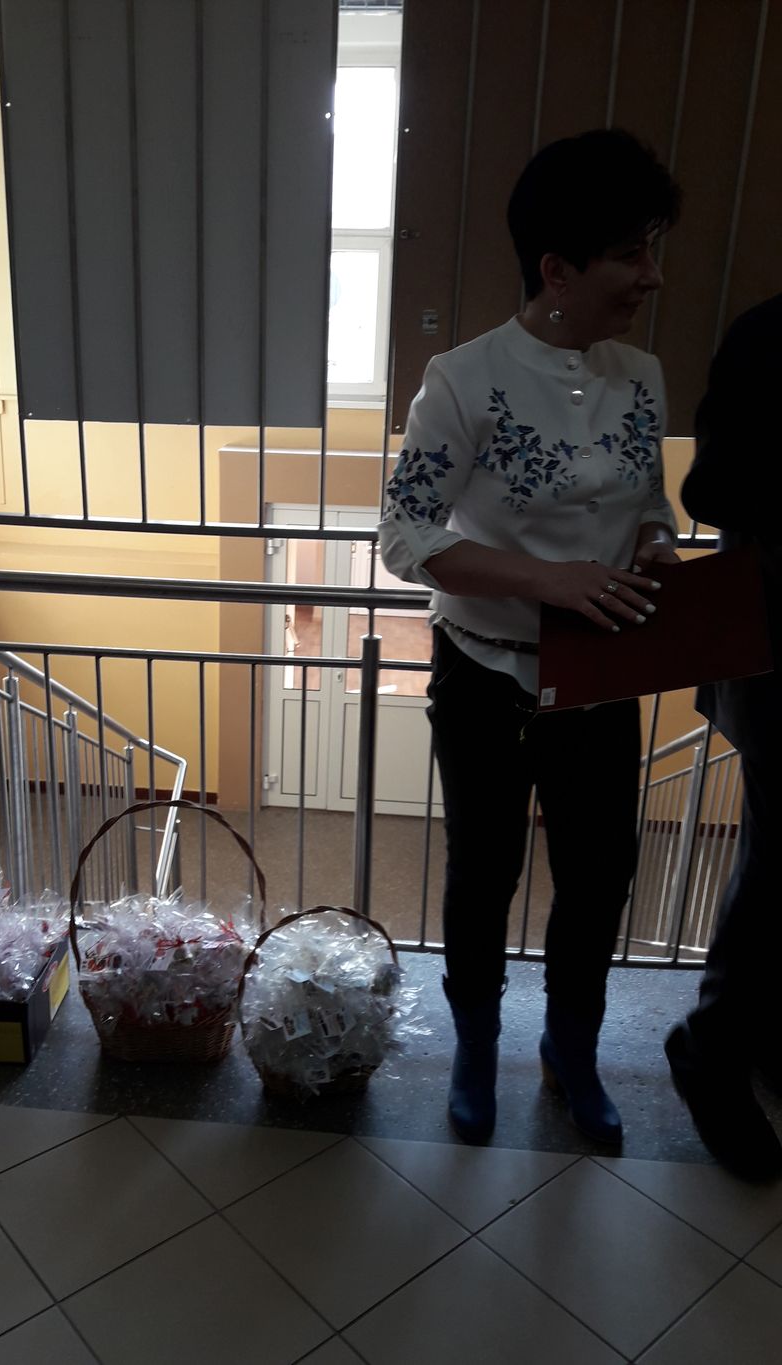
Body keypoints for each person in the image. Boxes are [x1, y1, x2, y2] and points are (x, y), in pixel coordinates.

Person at [379, 129, 681, 1145]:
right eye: (630, 254)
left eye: (650, 248)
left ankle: (571, 1049)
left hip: (602, 673)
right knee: (482, 873)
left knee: (599, 877)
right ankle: (475, 1046)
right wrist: (546, 580)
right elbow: (404, 534)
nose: (651, 275)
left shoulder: (641, 375)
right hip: (483, 673)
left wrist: (656, 545)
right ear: (556, 269)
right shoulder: (462, 379)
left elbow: (648, 502)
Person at [663, 294, 782, 1180]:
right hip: (777, 649)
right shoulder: (769, 334)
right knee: (780, 861)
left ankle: (761, 1032)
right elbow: (706, 490)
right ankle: (714, 1043)